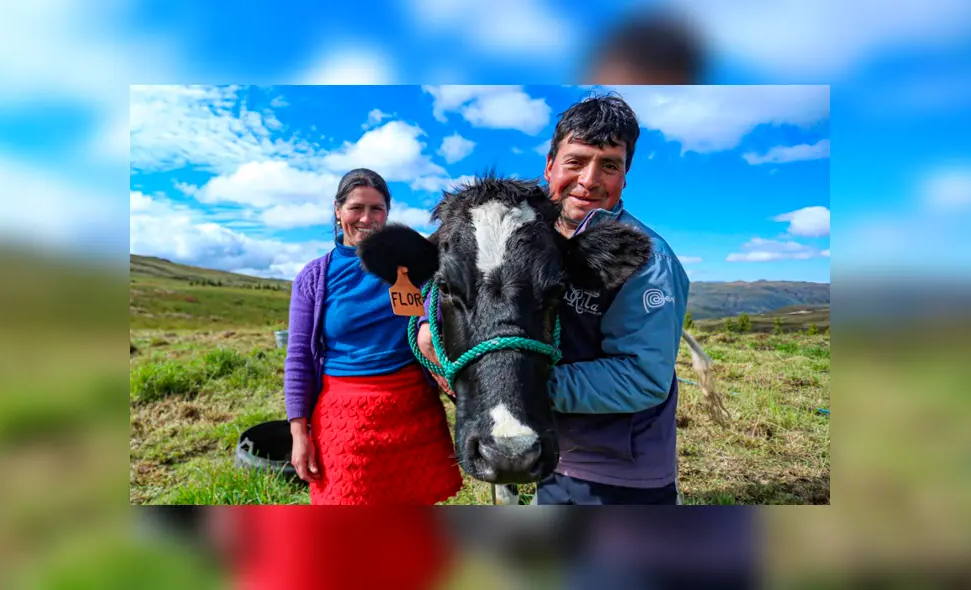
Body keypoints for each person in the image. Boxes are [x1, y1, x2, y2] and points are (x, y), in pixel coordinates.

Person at [419, 94, 690, 505]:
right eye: (576, 161)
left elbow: (643, 377)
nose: (589, 180)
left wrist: (508, 385)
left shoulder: (648, 259)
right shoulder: (534, 238)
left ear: (624, 178)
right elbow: (466, 274)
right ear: (550, 167)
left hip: (618, 472)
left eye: (610, 165)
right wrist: (427, 325)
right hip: (552, 452)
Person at [283, 168, 463, 505]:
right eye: (356, 208)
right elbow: (298, 358)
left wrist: (427, 323)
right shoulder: (314, 277)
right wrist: (298, 432)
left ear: (388, 214)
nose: (366, 218)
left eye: (377, 209)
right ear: (338, 211)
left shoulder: (412, 265)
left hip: (414, 413)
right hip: (345, 419)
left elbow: (441, 301)